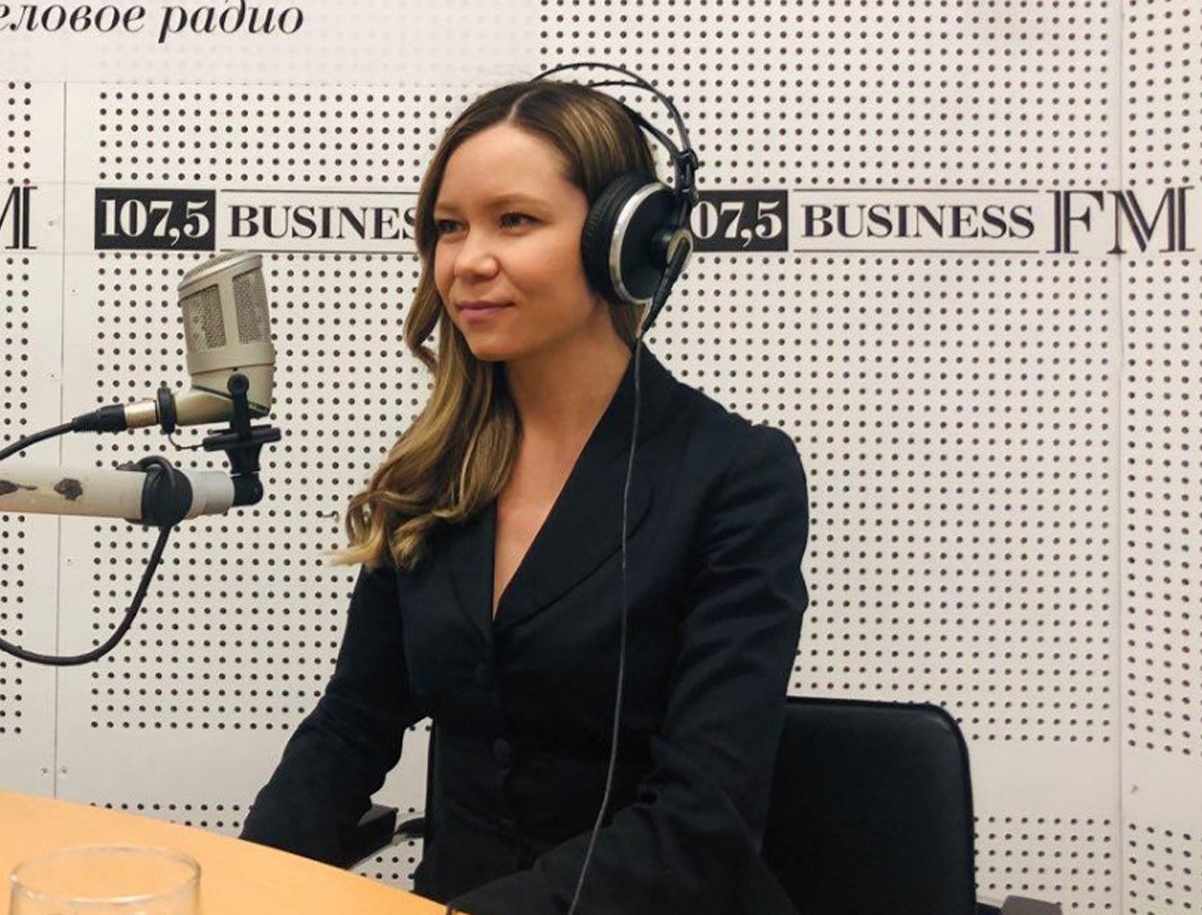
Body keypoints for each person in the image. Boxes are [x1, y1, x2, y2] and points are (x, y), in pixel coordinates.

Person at [239, 78, 809, 915]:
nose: (468, 260)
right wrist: (242, 884)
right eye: (449, 226)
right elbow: (352, 724)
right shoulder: (435, 469)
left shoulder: (735, 476)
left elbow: (702, 824)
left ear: (623, 241)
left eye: (514, 220)